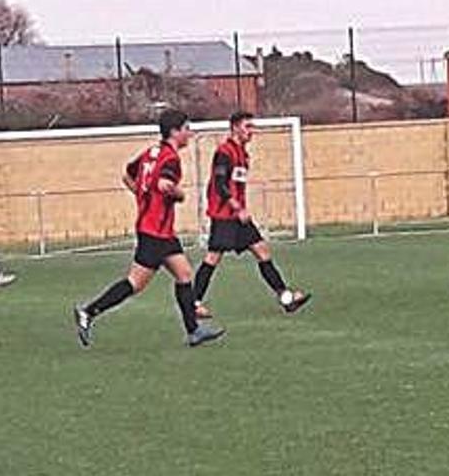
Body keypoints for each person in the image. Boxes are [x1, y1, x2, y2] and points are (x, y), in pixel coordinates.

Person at [72, 110, 225, 348]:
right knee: (135, 283)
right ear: (175, 131)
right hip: (154, 231)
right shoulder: (171, 158)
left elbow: (128, 175)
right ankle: (88, 312)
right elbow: (164, 184)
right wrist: (179, 194)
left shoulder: (150, 153)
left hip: (159, 230)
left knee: (184, 274)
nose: (190, 133)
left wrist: (143, 196)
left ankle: (194, 331)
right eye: (187, 129)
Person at [192, 111, 311, 318]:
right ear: (235, 127)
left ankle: (286, 297)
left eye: (252, 127)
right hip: (225, 216)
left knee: (262, 251)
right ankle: (193, 304)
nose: (251, 131)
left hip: (239, 217)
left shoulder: (243, 155)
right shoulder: (224, 152)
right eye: (247, 127)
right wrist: (236, 207)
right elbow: (219, 184)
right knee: (213, 258)